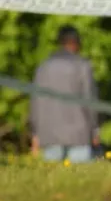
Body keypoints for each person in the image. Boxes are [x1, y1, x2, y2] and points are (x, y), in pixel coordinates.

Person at [30, 26, 100, 164]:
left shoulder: (43, 67)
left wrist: (35, 132)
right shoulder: (82, 66)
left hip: (49, 133)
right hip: (79, 133)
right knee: (82, 180)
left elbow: (35, 102)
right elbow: (90, 101)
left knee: (52, 181)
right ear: (76, 43)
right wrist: (95, 129)